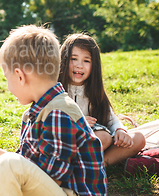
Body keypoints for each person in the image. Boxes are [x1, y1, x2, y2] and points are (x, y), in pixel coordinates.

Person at [0, 25, 108, 196]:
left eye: (6, 78)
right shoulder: (34, 113)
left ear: (20, 76)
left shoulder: (59, 112)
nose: (8, 86)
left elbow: (52, 176)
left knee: (5, 162)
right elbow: (26, 166)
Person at [59, 33, 145, 166]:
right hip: (66, 142)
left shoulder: (94, 92)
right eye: (73, 59)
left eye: (86, 61)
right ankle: (73, 166)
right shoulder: (56, 91)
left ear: (95, 66)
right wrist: (75, 124)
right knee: (102, 138)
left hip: (94, 144)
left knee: (138, 138)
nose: (79, 65)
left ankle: (98, 165)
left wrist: (120, 130)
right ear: (64, 60)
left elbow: (111, 118)